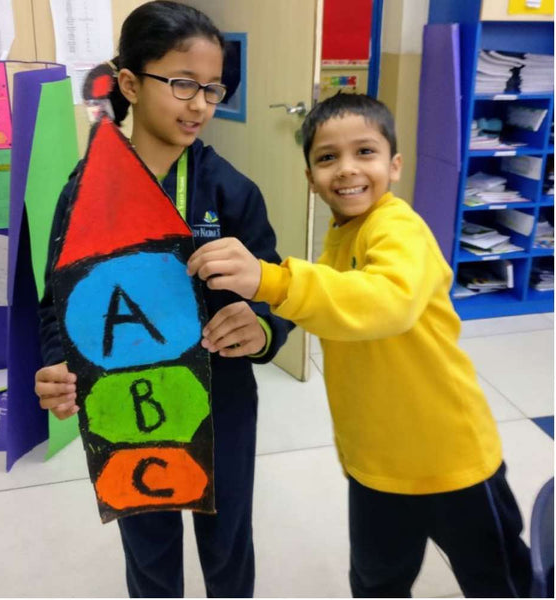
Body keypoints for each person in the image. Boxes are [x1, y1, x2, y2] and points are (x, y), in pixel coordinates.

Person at [187, 92, 532, 598]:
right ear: (310, 178)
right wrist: (262, 320)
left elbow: (385, 301)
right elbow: (325, 301)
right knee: (375, 581)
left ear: (394, 165)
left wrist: (271, 282)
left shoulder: (398, 229)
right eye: (327, 157)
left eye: (365, 152)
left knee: (498, 579)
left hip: (450, 460)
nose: (347, 169)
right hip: (374, 468)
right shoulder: (340, 239)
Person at [34, 2, 292, 597]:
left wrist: (262, 328)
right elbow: (57, 303)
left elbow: (273, 287)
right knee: (148, 548)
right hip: (124, 407)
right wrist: (55, 362)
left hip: (221, 403)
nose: (200, 104)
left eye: (212, 88)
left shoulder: (231, 190)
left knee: (228, 542)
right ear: (129, 83)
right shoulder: (84, 193)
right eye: (181, 84)